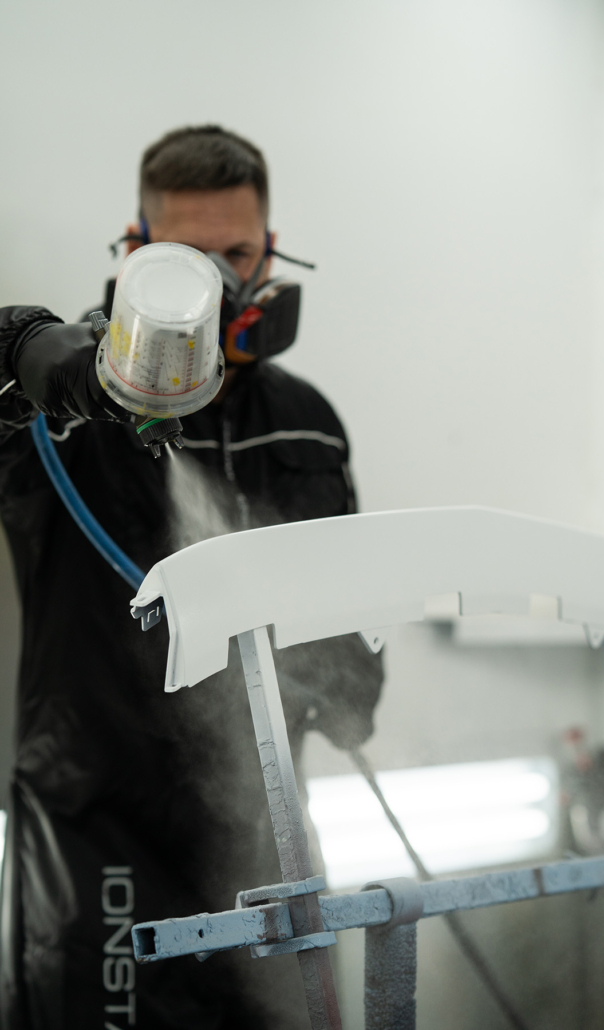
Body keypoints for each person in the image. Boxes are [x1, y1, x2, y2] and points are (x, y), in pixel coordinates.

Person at [0, 125, 384, 1030]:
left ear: (270, 253)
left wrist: (349, 680)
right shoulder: (61, 411)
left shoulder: (305, 422)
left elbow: (344, 596)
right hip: (96, 836)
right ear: (137, 252)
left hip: (264, 828)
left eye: (238, 256)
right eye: (189, 257)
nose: (220, 282)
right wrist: (25, 350)